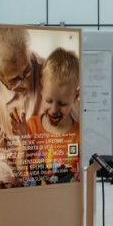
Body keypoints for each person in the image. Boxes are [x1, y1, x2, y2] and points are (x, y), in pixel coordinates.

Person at [0, 26, 43, 189]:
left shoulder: (49, 71)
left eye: (27, 71)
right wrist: (8, 181)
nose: (25, 83)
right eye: (14, 80)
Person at [21, 47, 81, 185]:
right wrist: (23, 140)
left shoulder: (78, 134)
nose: (54, 110)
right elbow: (20, 169)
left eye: (62, 104)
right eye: (49, 101)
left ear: (75, 97)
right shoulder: (31, 127)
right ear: (42, 88)